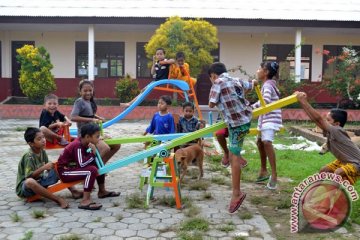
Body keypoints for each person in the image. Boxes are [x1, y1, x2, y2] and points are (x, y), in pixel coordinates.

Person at [208, 62, 257, 213]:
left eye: (211, 78)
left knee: (233, 157)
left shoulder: (217, 82)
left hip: (237, 124)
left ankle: (237, 193)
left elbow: (211, 103)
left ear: (213, 75)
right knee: (229, 145)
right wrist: (254, 82)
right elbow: (251, 84)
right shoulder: (236, 80)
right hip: (245, 118)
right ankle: (234, 157)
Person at [295, 91, 360, 185]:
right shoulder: (331, 131)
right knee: (323, 170)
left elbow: (319, 119)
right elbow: (315, 120)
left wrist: (304, 101)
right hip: (343, 161)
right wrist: (301, 102)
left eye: (328, 120)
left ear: (337, 124)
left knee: (338, 173)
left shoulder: (337, 130)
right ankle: (317, 192)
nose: (325, 121)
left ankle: (333, 196)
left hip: (357, 163)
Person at [57, 123, 120, 210]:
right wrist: (93, 154)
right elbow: (82, 164)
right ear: (87, 137)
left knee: (98, 165)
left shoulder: (84, 142)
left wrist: (93, 154)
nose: (99, 139)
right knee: (91, 170)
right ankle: (85, 201)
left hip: (73, 167)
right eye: (97, 137)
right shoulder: (77, 145)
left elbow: (83, 162)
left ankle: (102, 191)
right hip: (65, 172)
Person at [15, 127, 82, 209]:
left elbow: (49, 167)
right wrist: (44, 168)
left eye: (43, 137)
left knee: (57, 166)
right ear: (31, 143)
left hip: (40, 182)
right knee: (30, 181)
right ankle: (57, 200)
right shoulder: (28, 156)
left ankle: (74, 191)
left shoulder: (42, 151)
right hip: (26, 189)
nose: (43, 140)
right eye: (39, 139)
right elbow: (28, 177)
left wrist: (54, 167)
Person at [71, 80, 120, 164]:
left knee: (116, 145)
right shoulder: (79, 102)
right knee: (105, 148)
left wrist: (98, 117)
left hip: (94, 134)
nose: (88, 93)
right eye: (85, 91)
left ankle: (101, 165)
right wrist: (92, 120)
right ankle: (92, 166)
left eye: (90, 90)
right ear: (80, 91)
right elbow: (73, 117)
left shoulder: (89, 102)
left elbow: (89, 115)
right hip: (86, 135)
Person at [252, 62, 282, 190]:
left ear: (266, 72)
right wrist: (251, 107)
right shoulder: (268, 84)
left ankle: (274, 175)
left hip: (270, 118)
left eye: (260, 69)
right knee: (259, 142)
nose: (258, 70)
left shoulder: (268, 85)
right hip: (265, 118)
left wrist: (252, 108)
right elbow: (262, 100)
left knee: (267, 142)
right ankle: (263, 170)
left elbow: (266, 101)